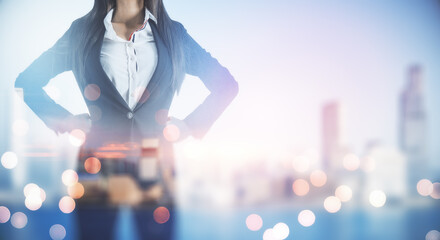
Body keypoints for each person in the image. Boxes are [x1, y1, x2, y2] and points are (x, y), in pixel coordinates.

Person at [14, 0, 239, 239]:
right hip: (96, 163)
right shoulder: (82, 32)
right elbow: (27, 83)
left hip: (155, 162)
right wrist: (67, 120)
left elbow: (226, 85)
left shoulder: (173, 34)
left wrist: (190, 126)